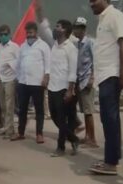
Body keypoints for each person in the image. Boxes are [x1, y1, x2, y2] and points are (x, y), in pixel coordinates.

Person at [35, 0, 80, 157]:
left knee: (61, 118)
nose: (55, 28)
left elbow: (73, 71)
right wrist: (39, 13)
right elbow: (43, 27)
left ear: (65, 30)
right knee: (55, 117)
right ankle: (74, 138)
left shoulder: (71, 48)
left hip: (63, 88)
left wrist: (70, 90)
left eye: (58, 27)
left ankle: (61, 148)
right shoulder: (53, 44)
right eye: (56, 26)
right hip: (52, 87)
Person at [88, 0, 123, 175]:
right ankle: (111, 159)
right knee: (110, 119)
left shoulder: (115, 16)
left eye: (94, 0)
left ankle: (110, 163)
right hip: (104, 77)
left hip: (112, 75)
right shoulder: (102, 21)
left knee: (109, 119)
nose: (91, 4)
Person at [11, 22, 51, 144]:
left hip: (37, 83)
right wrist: (17, 78)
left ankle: (39, 134)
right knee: (22, 109)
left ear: (36, 33)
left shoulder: (43, 46)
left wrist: (46, 77)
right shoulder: (22, 46)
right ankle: (21, 132)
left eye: (31, 32)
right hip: (23, 82)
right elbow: (18, 65)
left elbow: (48, 63)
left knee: (39, 110)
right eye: (27, 33)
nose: (29, 35)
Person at [72, 17, 99, 148]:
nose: (76, 30)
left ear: (83, 29)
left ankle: (92, 139)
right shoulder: (79, 44)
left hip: (87, 80)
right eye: (75, 27)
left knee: (88, 112)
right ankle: (87, 136)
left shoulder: (90, 43)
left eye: (78, 27)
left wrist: (92, 78)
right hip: (81, 81)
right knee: (85, 111)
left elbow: (95, 61)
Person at [0, 25, 19, 139]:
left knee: (9, 105)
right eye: (1, 34)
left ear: (9, 34)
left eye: (5, 34)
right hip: (1, 79)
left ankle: (10, 130)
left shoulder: (14, 47)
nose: (3, 36)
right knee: (3, 105)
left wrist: (10, 65)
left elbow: (19, 62)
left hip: (10, 79)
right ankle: (6, 127)